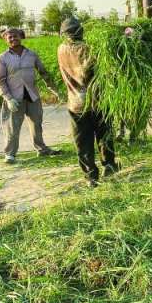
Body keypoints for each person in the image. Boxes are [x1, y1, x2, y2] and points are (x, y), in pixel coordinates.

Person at [57, 17, 118, 187]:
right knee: (104, 136)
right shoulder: (87, 48)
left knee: (83, 141)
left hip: (75, 103)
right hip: (97, 101)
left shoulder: (61, 49)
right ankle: (109, 166)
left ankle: (91, 176)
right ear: (80, 31)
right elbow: (89, 72)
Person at [0, 28, 61, 164]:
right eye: (10, 37)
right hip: (14, 97)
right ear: (5, 40)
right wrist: (8, 98)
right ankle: (10, 154)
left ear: (21, 37)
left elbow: (43, 72)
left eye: (15, 36)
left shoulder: (31, 55)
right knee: (12, 127)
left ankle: (41, 149)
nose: (13, 39)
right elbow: (0, 80)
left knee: (36, 123)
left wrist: (53, 89)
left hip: (31, 94)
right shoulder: (2, 58)